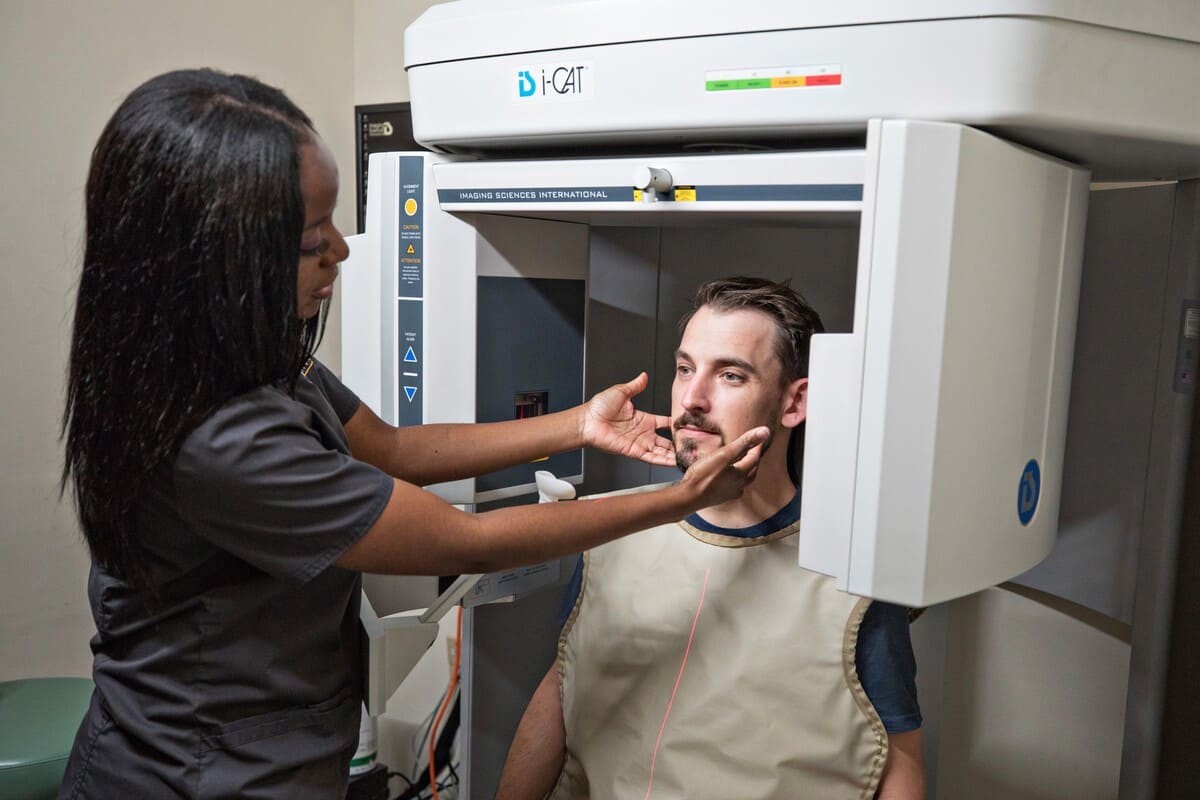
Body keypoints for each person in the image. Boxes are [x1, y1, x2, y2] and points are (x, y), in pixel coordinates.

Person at [56, 69, 768, 800]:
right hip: (192, 774)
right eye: (310, 239)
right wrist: (675, 499)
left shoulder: (248, 361)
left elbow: (395, 450)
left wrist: (579, 425)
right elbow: (470, 542)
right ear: (217, 255)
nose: (342, 249)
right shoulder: (219, 441)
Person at [495, 277, 926, 800]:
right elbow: (558, 695)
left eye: (731, 375)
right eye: (684, 369)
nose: (692, 400)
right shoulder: (611, 532)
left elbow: (899, 760)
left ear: (795, 403)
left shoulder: (852, 575)